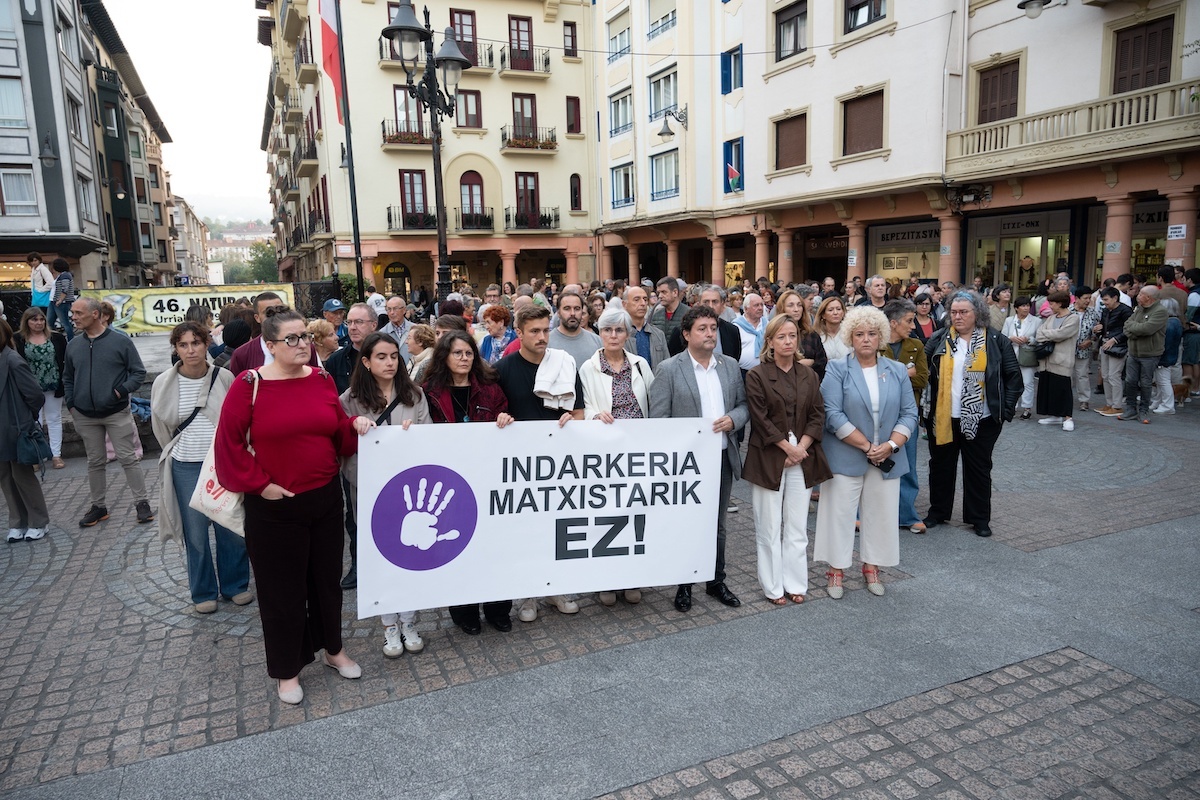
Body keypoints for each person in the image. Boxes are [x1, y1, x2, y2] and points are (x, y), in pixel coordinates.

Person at [214, 306, 371, 705]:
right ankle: (287, 670)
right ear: (269, 345)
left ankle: (333, 651)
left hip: (325, 499)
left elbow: (337, 433)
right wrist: (259, 485)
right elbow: (227, 445)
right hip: (274, 506)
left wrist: (355, 428)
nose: (303, 344)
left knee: (325, 583)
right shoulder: (249, 384)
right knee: (281, 592)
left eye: (306, 336)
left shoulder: (320, 379)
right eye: (292, 339)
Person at [648, 305, 747, 613]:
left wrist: (733, 419)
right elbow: (659, 418)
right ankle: (684, 584)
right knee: (687, 523)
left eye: (713, 328)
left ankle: (716, 580)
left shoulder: (729, 365)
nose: (709, 334)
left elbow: (744, 405)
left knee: (717, 524)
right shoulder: (669, 369)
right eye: (702, 328)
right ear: (687, 334)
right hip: (685, 464)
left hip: (720, 458)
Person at [812, 307, 917, 598]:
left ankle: (872, 568)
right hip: (846, 455)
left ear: (881, 335)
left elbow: (910, 413)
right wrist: (866, 446)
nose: (866, 339)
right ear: (850, 336)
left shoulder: (896, 370)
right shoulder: (837, 368)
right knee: (839, 513)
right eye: (859, 334)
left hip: (888, 457)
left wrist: (891, 445)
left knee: (881, 515)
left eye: (872, 333)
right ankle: (835, 571)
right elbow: (830, 412)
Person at [340, 332, 431, 655]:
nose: (390, 362)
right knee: (378, 556)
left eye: (393, 356)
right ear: (366, 361)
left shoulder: (414, 395)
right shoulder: (349, 400)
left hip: (409, 495)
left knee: (408, 556)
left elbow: (430, 441)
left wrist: (413, 438)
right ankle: (388, 625)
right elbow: (343, 453)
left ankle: (409, 619)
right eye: (381, 356)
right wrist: (354, 429)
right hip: (370, 492)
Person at [150, 322, 251, 614]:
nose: (190, 350)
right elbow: (161, 427)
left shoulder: (225, 377)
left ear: (207, 344)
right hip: (185, 465)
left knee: (229, 526)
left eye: (196, 343)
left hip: (223, 464)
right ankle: (203, 591)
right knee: (195, 533)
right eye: (183, 344)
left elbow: (239, 420)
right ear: (176, 348)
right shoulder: (164, 382)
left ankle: (235, 585)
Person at [422, 330, 515, 633]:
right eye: (457, 353)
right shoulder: (428, 391)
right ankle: (464, 610)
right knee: (458, 545)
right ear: (444, 357)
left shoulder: (490, 388)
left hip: (487, 477)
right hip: (449, 482)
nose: (463, 358)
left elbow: (505, 417)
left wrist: (505, 419)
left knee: (495, 546)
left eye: (468, 353)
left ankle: (499, 608)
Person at [495, 305, 583, 622]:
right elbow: (495, 414)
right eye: (534, 331)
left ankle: (555, 587)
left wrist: (569, 418)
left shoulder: (563, 364)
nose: (542, 337)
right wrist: (501, 419)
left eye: (546, 330)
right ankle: (528, 595)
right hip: (519, 467)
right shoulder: (503, 369)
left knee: (556, 529)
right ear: (518, 333)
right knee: (526, 532)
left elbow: (580, 412)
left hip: (558, 464)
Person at [742, 315, 831, 605]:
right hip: (769, 456)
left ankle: (795, 583)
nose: (788, 341)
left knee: (796, 527)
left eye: (792, 335)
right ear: (769, 341)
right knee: (768, 526)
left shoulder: (809, 375)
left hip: (802, 456)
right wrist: (787, 448)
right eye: (781, 336)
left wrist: (801, 447)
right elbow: (760, 419)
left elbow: (818, 414)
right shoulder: (757, 375)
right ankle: (772, 586)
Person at [922, 291, 1022, 538]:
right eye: (954, 312)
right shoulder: (939, 339)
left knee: (978, 470)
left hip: (982, 420)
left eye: (963, 312)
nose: (957, 316)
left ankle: (979, 519)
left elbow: (1014, 379)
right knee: (940, 468)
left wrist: (1003, 412)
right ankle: (937, 512)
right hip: (943, 418)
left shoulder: (996, 341)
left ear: (978, 313)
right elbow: (924, 377)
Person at [65, 297, 154, 527]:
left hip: (115, 411)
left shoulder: (120, 341)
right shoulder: (73, 344)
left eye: (77, 312)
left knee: (128, 458)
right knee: (94, 462)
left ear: (95, 314)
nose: (73, 317)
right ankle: (98, 506)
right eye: (72, 313)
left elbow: (138, 372)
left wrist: (119, 392)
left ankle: (142, 503)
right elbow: (67, 377)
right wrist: (72, 403)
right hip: (85, 414)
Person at [880, 299, 929, 534]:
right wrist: (904, 372)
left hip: (907, 415)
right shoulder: (876, 345)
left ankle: (906, 515)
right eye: (909, 321)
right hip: (879, 415)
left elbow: (922, 379)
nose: (913, 325)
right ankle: (870, 512)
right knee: (874, 464)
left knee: (908, 467)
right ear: (893, 322)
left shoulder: (917, 346)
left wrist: (892, 373)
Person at [1, 319, 49, 543]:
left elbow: (35, 395)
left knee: (22, 476)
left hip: (15, 428)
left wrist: (23, 418)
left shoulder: (12, 360)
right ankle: (17, 522)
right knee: (5, 478)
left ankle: (38, 521)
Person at [14, 308, 67, 469]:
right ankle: (38, 455)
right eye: (34, 320)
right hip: (30, 388)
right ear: (27, 322)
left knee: (54, 419)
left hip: (53, 384)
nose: (38, 323)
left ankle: (56, 455)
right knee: (34, 421)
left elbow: (65, 360)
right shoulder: (18, 339)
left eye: (41, 319)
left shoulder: (56, 338)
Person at [229, 293, 319, 375]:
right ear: (257, 318)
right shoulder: (243, 354)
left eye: (280, 310)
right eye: (268, 312)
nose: (275, 316)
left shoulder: (306, 346)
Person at [1033, 290, 1081, 431]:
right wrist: (1050, 335)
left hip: (1062, 359)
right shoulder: (1051, 318)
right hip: (1047, 360)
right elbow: (1038, 333)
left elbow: (1062, 334)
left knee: (1063, 388)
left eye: (1052, 303)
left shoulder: (1073, 318)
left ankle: (1067, 417)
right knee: (1049, 388)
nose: (1050, 306)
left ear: (1060, 303)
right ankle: (1054, 415)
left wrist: (1046, 334)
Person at [1121, 285, 1168, 424]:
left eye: (1141, 294)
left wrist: (1134, 331)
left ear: (1149, 297)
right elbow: (1126, 326)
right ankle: (1130, 409)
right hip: (1133, 352)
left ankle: (1144, 410)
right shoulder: (1139, 308)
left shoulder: (1160, 311)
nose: (1137, 296)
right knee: (1130, 381)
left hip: (1150, 354)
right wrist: (1136, 332)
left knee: (1146, 383)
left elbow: (1147, 329)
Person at [1093, 287, 1133, 417]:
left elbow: (1128, 329)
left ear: (1115, 298)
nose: (1104, 302)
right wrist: (1100, 329)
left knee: (1114, 375)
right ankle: (1109, 403)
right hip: (1105, 343)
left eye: (1106, 299)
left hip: (1118, 346)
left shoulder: (1126, 311)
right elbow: (1106, 326)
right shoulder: (1106, 311)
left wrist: (1115, 340)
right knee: (1105, 374)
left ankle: (1117, 405)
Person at [772, 289, 828, 380]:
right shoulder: (774, 333)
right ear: (782, 308)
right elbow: (769, 361)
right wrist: (799, 365)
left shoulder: (812, 335)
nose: (796, 309)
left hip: (808, 384)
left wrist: (810, 365)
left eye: (799, 305)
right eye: (791, 305)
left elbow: (822, 363)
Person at [1002, 297, 1041, 420]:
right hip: (1011, 354)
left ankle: (1027, 408)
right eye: (1023, 306)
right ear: (1016, 308)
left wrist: (1029, 340)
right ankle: (1012, 407)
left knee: (1028, 382)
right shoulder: (1009, 320)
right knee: (1011, 381)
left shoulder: (1036, 321)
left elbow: (1039, 339)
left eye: (1027, 306)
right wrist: (1011, 338)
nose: (1026, 308)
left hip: (1027, 355)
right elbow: (1002, 337)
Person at [548, 291, 602, 368]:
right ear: (558, 313)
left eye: (577, 309)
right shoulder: (547, 342)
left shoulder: (597, 341)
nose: (572, 313)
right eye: (567, 309)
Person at [623, 284, 669, 369]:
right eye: (637, 300)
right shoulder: (619, 336)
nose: (643, 303)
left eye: (645, 299)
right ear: (625, 304)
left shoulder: (658, 334)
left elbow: (667, 367)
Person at [1150, 297, 1182, 415]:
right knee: (1161, 380)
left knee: (1163, 381)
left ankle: (1167, 405)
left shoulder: (1168, 324)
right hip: (1169, 355)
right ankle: (1159, 402)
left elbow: (1165, 343)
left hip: (1164, 357)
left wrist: (1158, 354)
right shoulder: (1176, 322)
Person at [1071, 289, 1098, 413]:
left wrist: (1091, 340)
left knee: (1082, 375)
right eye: (1085, 298)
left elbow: (1098, 330)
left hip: (1084, 349)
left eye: (1089, 298)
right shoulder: (1068, 311)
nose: (1088, 301)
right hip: (1068, 349)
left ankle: (1084, 400)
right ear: (1077, 298)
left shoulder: (1093, 313)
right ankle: (1066, 398)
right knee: (1066, 375)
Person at [649, 276, 689, 343]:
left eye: (664, 292)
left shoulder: (688, 314)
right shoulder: (656, 315)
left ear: (675, 292)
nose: (660, 296)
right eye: (659, 293)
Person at [734, 292, 768, 372]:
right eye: (756, 305)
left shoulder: (767, 324)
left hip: (765, 371)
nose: (760, 308)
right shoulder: (736, 326)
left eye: (761, 305)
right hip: (743, 371)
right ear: (746, 309)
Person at [378, 296, 413, 362]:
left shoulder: (415, 330)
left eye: (395, 309)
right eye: (389, 309)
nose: (392, 312)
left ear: (404, 310)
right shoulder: (382, 333)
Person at [49, 259, 76, 340]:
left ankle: (70, 339)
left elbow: (65, 288)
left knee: (64, 322)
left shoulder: (65, 276)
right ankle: (53, 338)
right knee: (49, 322)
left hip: (62, 302)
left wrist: (60, 299)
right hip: (54, 301)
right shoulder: (61, 275)